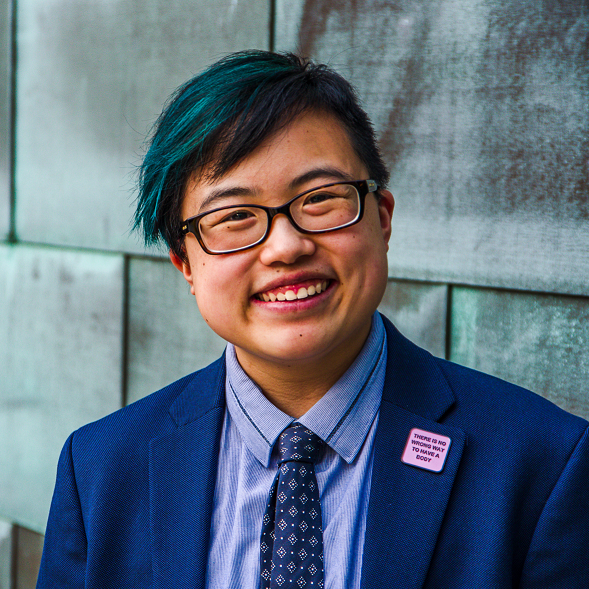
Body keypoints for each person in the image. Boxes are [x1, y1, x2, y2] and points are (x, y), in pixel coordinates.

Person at [37, 50, 589, 589]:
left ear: (382, 218)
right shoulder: (101, 471)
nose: (285, 246)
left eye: (320, 199)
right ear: (185, 262)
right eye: (234, 216)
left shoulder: (542, 464)